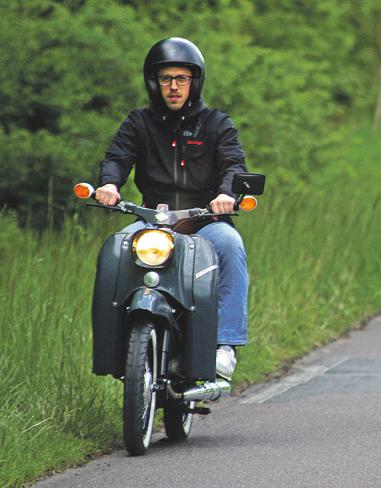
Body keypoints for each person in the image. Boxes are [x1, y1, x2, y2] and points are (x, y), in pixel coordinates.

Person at [94, 37, 249, 380]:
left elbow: (233, 165)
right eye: (166, 78)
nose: (174, 86)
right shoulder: (139, 122)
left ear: (195, 81)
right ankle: (113, 346)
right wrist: (109, 184)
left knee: (230, 245)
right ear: (154, 82)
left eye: (181, 78)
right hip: (154, 221)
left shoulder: (216, 123)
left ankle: (225, 345)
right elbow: (117, 157)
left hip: (205, 220)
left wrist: (226, 194)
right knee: (114, 250)